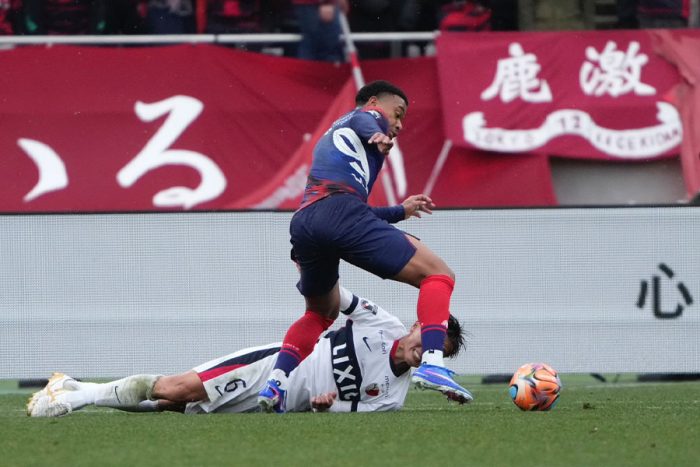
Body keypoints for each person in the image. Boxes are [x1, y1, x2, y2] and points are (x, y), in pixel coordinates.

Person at [257, 80, 473, 413]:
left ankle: (276, 384)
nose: (398, 124)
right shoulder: (365, 120)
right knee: (438, 274)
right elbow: (364, 118)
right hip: (339, 213)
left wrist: (400, 211)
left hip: (305, 222)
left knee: (320, 313)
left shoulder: (339, 139)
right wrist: (377, 132)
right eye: (397, 114)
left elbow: (353, 212)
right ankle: (433, 361)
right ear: (374, 102)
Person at [27, 286, 466, 417]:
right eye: (429, 339)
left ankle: (74, 386)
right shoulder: (382, 323)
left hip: (277, 407)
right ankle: (72, 400)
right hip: (270, 367)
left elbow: (342, 411)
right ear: (418, 326)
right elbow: (338, 297)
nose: (424, 350)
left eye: (436, 351)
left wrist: (322, 406)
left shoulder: (392, 397)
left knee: (169, 406)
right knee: (179, 388)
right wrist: (318, 268)